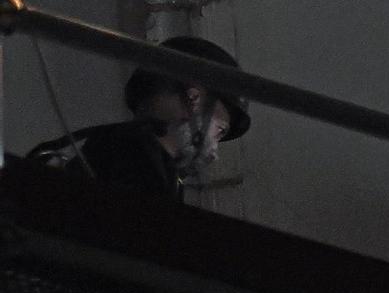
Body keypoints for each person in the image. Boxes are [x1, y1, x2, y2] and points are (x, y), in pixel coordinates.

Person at [24, 36, 250, 201]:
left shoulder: (99, 142)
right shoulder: (140, 160)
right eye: (219, 131)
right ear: (194, 99)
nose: (215, 153)